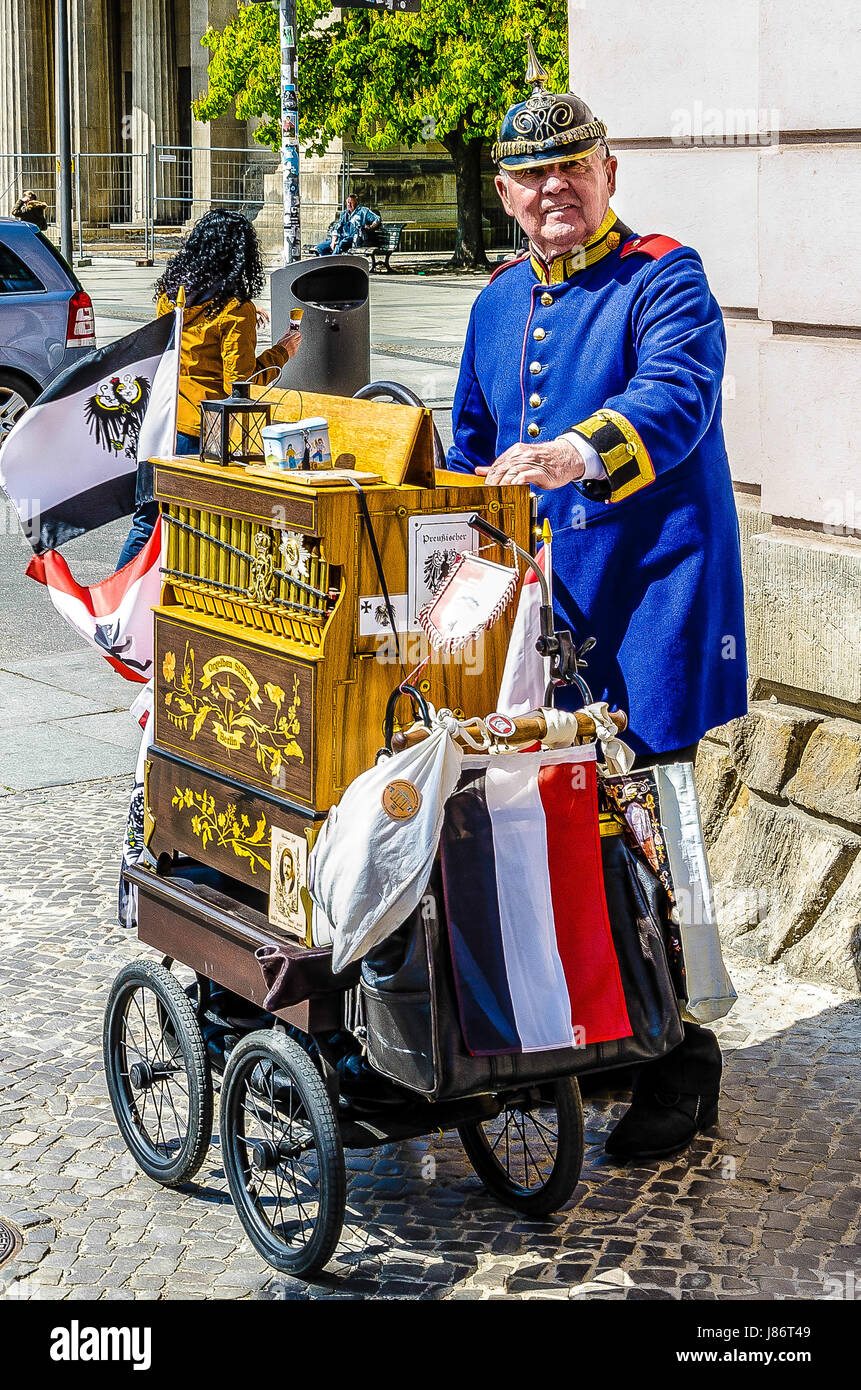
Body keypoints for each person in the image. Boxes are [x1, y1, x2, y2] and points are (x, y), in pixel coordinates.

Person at [447, 40, 748, 1160]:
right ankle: (604, 1031)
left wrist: (575, 452)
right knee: (562, 820)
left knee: (656, 825)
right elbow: (472, 456)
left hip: (652, 593)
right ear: (507, 194)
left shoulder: (667, 274)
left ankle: (684, 1060)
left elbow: (677, 396)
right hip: (546, 609)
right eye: (533, 176)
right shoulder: (492, 302)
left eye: (574, 167)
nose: (554, 190)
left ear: (610, 172)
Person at [116, 208, 302, 569]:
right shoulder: (235, 310)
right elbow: (240, 386)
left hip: (160, 424)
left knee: (146, 523)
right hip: (204, 433)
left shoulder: (173, 296)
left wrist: (246, 311)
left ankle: (115, 607)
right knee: (206, 529)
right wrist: (282, 352)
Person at [315, 194, 381, 256]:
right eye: (348, 202)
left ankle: (332, 263)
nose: (349, 204)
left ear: (356, 202)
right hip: (341, 237)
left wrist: (371, 226)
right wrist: (333, 241)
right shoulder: (344, 214)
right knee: (320, 248)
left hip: (355, 238)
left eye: (351, 202)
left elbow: (377, 219)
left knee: (340, 245)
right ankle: (330, 263)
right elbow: (337, 228)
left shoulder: (364, 211)